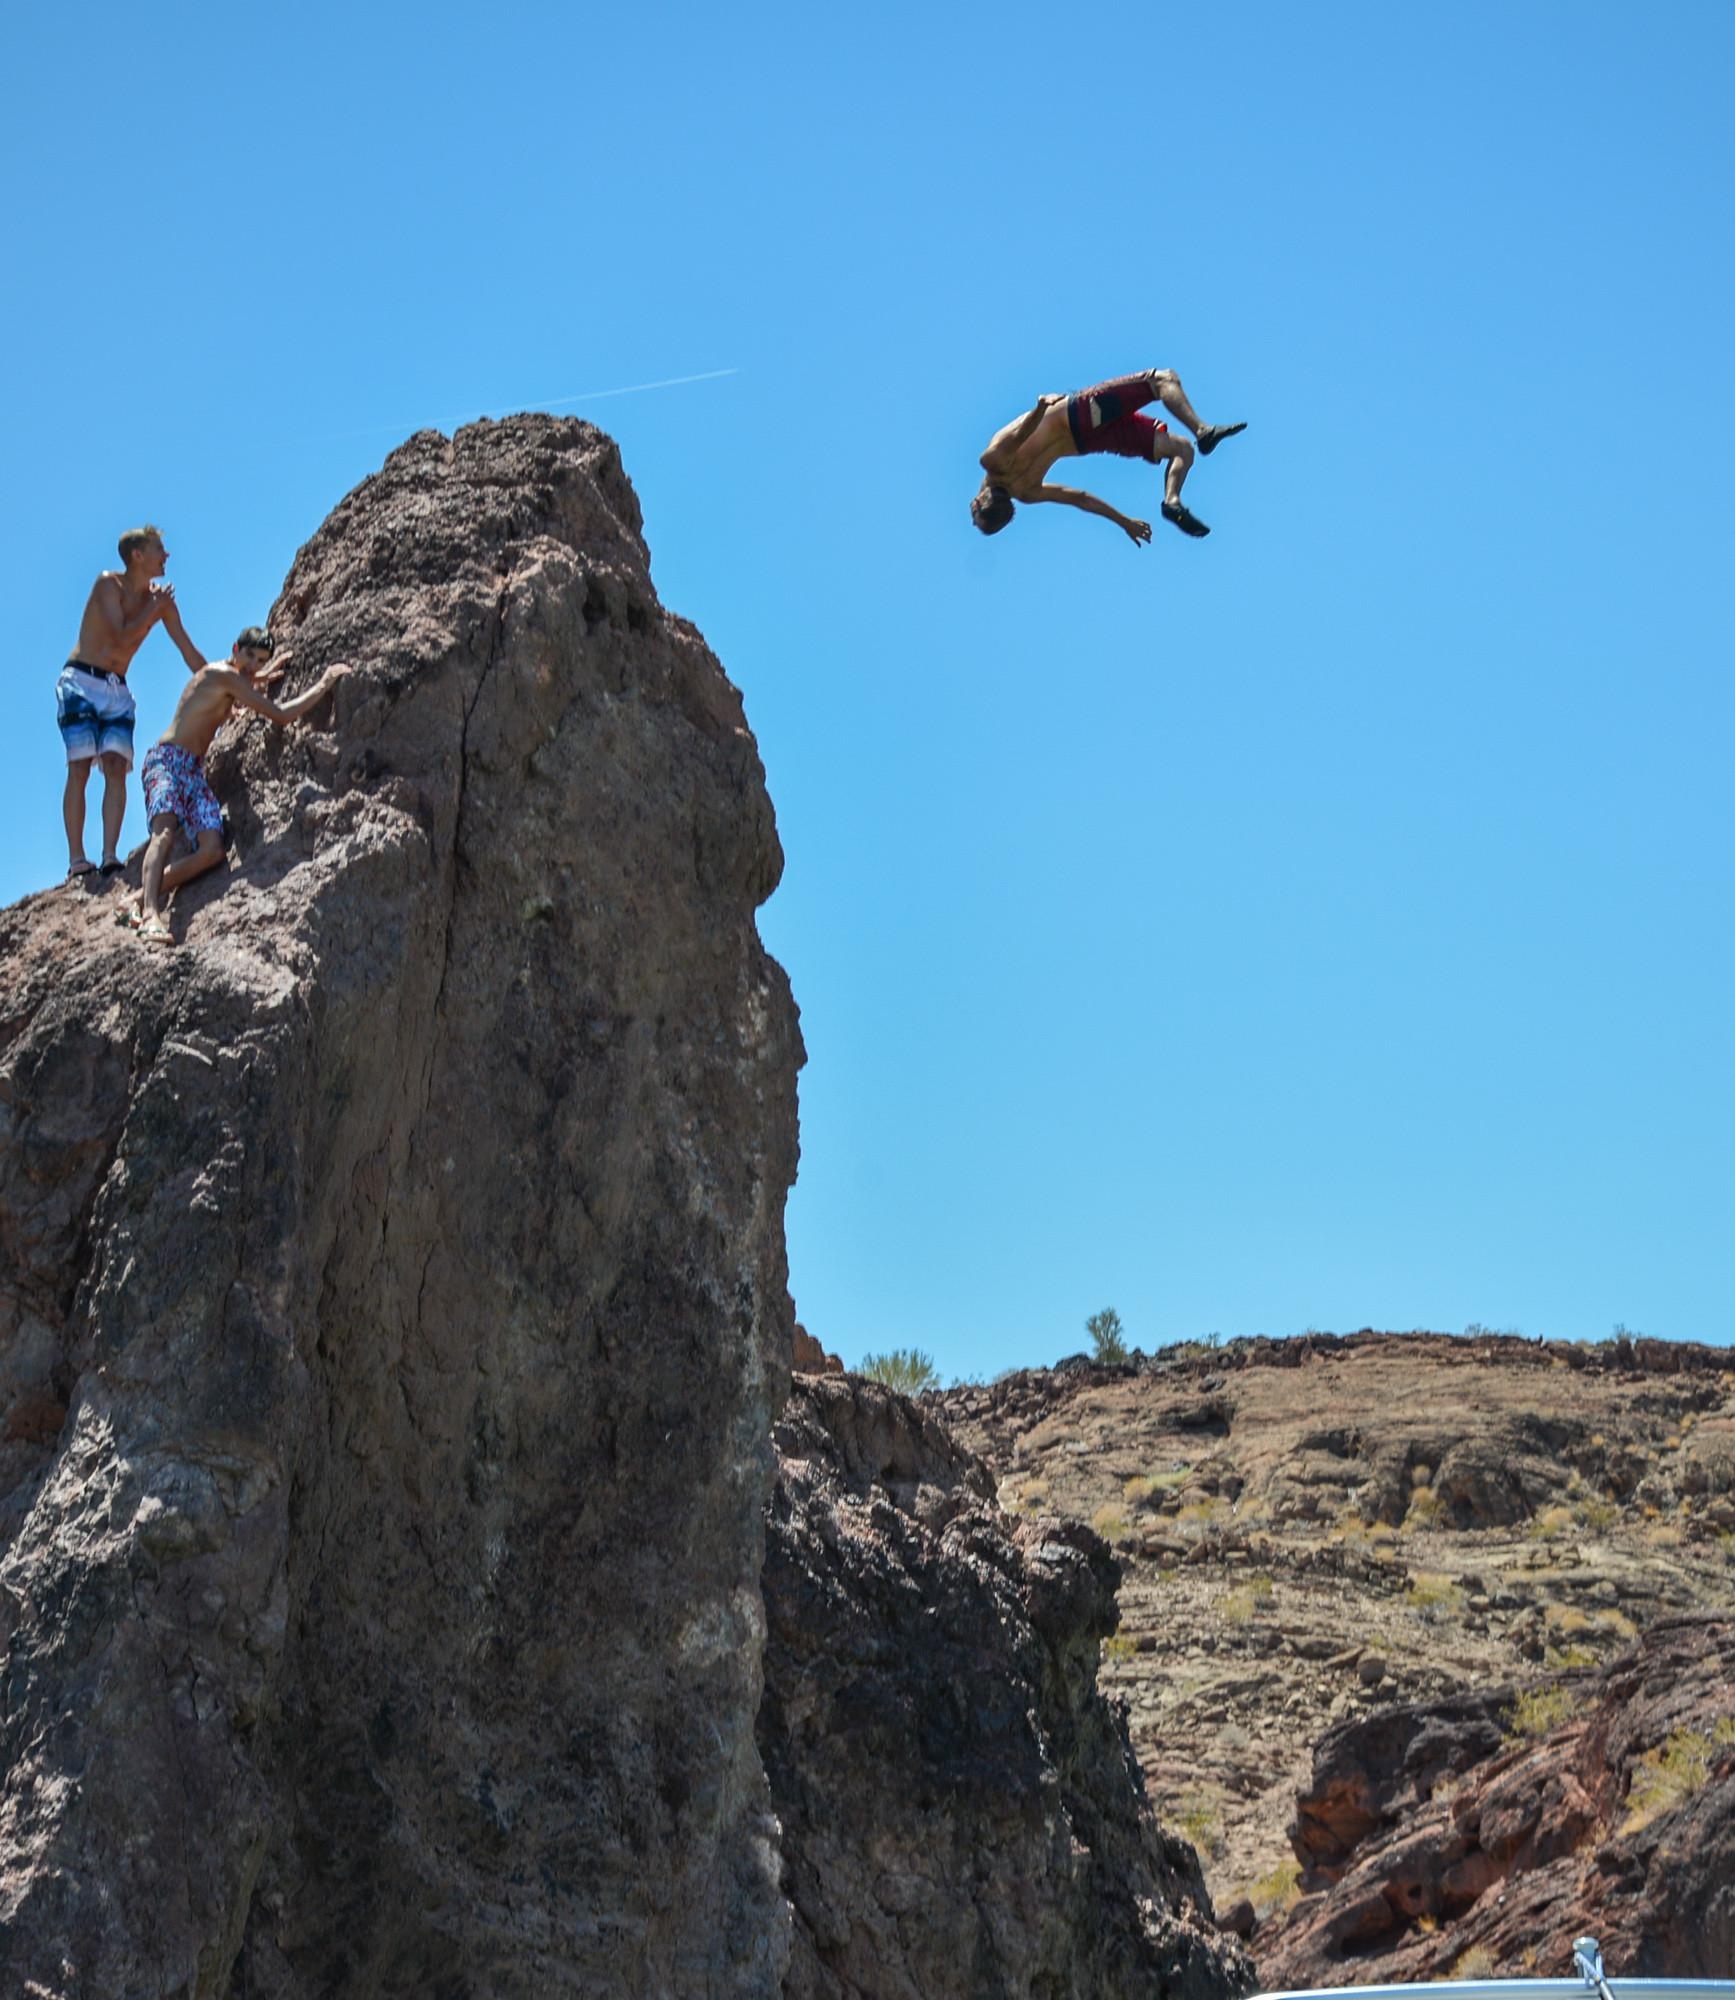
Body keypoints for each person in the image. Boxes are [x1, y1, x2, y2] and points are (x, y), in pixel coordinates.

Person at [128, 628, 350, 947]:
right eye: (249, 656)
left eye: (260, 661)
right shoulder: (222, 674)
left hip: (192, 770)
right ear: (235, 649)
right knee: (163, 831)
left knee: (213, 850)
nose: (253, 665)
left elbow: (241, 684)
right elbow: (281, 715)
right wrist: (325, 682)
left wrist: (264, 675)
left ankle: (134, 899)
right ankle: (150, 913)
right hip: (167, 761)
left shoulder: (232, 679)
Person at [57, 525, 206, 882]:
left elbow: (187, 650)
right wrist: (154, 609)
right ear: (137, 555)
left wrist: (222, 681)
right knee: (79, 768)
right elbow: (120, 637)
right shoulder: (109, 585)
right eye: (159, 549)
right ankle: (78, 859)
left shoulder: (158, 601)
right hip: (81, 680)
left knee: (115, 767)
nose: (166, 556)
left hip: (116, 688)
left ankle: (109, 857)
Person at [971, 368, 1245, 546]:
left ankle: (1172, 501)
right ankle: (1202, 430)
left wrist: (1123, 521)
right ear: (977, 500)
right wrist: (1040, 408)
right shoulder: (992, 461)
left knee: (1182, 450)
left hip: (1092, 441)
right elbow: (1020, 435)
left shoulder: (1026, 491)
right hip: (1080, 415)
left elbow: (1080, 498)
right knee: (1162, 380)